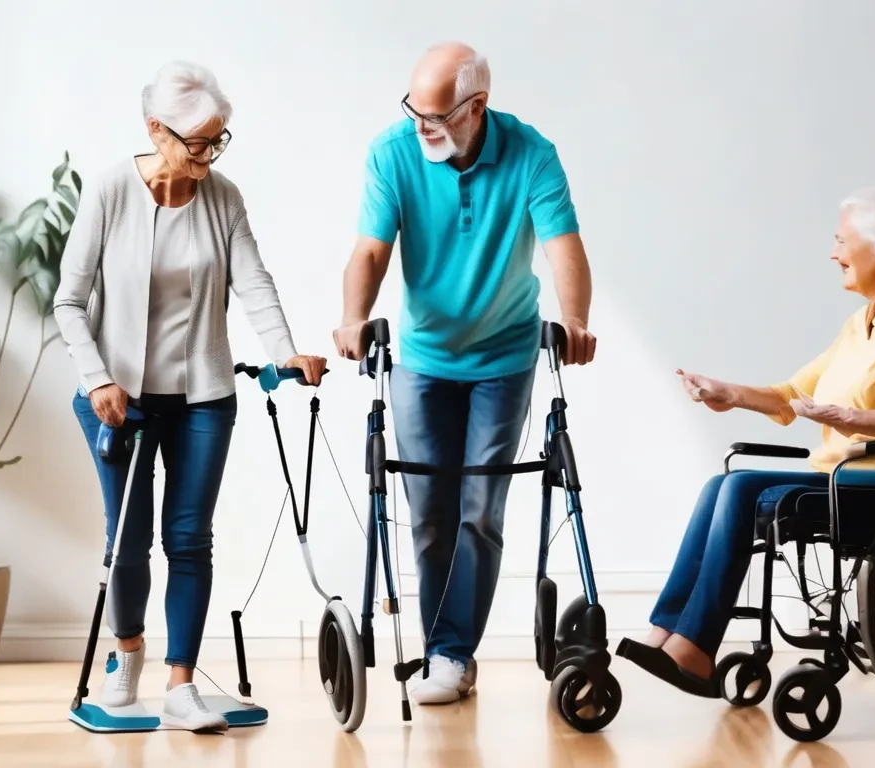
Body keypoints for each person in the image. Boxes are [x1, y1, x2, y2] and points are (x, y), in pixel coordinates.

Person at [53, 61, 326, 733]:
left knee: (188, 539)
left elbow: (253, 280)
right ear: (156, 129)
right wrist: (97, 378)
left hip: (202, 395)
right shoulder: (111, 191)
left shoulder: (224, 197)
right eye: (198, 141)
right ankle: (127, 661)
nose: (208, 154)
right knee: (127, 540)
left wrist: (286, 349)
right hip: (119, 396)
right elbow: (67, 301)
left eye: (218, 140)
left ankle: (180, 687)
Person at [332, 42, 597, 705]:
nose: (423, 126)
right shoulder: (392, 152)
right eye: (414, 110)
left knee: (480, 509)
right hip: (423, 359)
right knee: (429, 512)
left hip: (503, 360)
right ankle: (440, 648)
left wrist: (578, 321)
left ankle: (451, 654)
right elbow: (370, 249)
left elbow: (564, 245)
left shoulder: (532, 154)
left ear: (477, 107)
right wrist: (351, 316)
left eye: (438, 115)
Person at [631, 187, 875, 692]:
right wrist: (728, 393)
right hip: (841, 477)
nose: (833, 253)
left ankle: (696, 646)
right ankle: (665, 631)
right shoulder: (863, 323)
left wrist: (850, 415)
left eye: (840, 240)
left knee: (741, 490)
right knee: (721, 485)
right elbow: (792, 394)